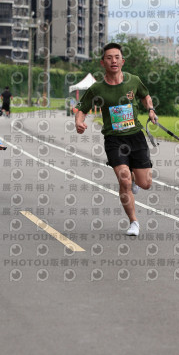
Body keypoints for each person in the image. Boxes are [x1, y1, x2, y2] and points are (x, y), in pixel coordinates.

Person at [75, 42, 157, 236]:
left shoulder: (133, 81)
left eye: (117, 57)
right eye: (109, 58)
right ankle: (134, 222)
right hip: (114, 140)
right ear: (102, 62)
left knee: (145, 184)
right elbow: (82, 108)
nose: (113, 61)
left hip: (136, 136)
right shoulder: (97, 88)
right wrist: (79, 122)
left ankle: (136, 180)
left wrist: (151, 110)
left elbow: (145, 96)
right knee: (124, 180)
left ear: (123, 61)